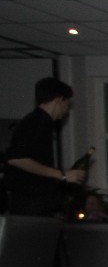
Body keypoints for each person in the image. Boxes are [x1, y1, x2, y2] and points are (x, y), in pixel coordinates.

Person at [2, 77, 86, 217]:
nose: (66, 110)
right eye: (67, 104)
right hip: (30, 201)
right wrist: (62, 175)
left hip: (33, 200)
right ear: (59, 100)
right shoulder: (37, 122)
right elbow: (17, 159)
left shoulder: (38, 121)